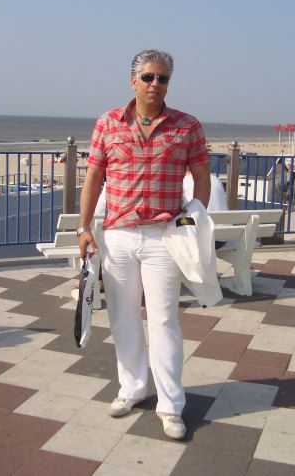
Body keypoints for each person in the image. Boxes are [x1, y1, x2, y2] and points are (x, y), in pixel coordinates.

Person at [77, 49, 211, 440]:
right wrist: (84, 227)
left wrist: (189, 220)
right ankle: (132, 388)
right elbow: (93, 178)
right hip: (118, 236)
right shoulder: (108, 123)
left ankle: (171, 405)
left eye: (162, 78)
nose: (155, 84)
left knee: (164, 320)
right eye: (149, 77)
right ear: (133, 80)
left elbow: (201, 178)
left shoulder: (187, 126)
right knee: (122, 317)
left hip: (163, 236)